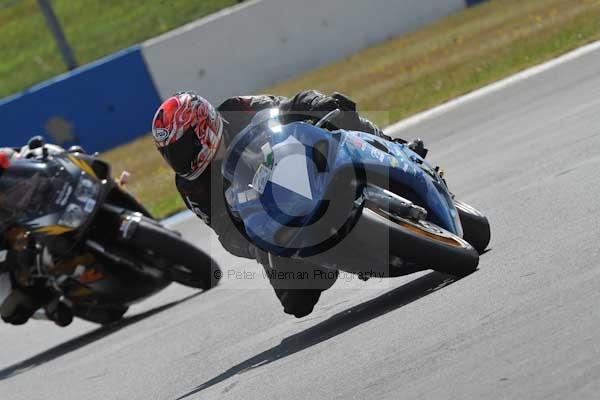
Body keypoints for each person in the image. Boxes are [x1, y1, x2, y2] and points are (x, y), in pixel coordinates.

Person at [151, 90, 424, 317]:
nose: (179, 160)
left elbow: (290, 105)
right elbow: (224, 231)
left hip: (302, 162)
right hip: (272, 219)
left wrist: (317, 104)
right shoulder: (190, 185)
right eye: (170, 154)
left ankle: (395, 147)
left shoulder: (239, 107)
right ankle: (338, 255)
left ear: (204, 126)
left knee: (339, 113)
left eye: (183, 147)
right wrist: (253, 245)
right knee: (298, 304)